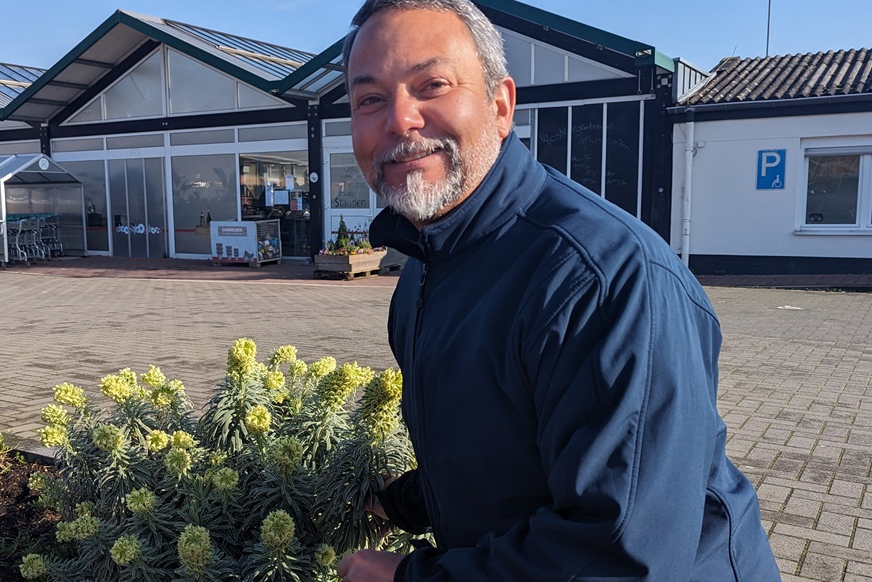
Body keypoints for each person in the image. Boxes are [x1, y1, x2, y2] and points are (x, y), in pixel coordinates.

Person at [334, 0, 782, 580]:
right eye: (370, 99)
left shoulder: (601, 281)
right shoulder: (428, 260)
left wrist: (407, 578)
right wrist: (401, 502)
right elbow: (497, 449)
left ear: (500, 106)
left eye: (432, 85)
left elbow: (618, 556)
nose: (400, 120)